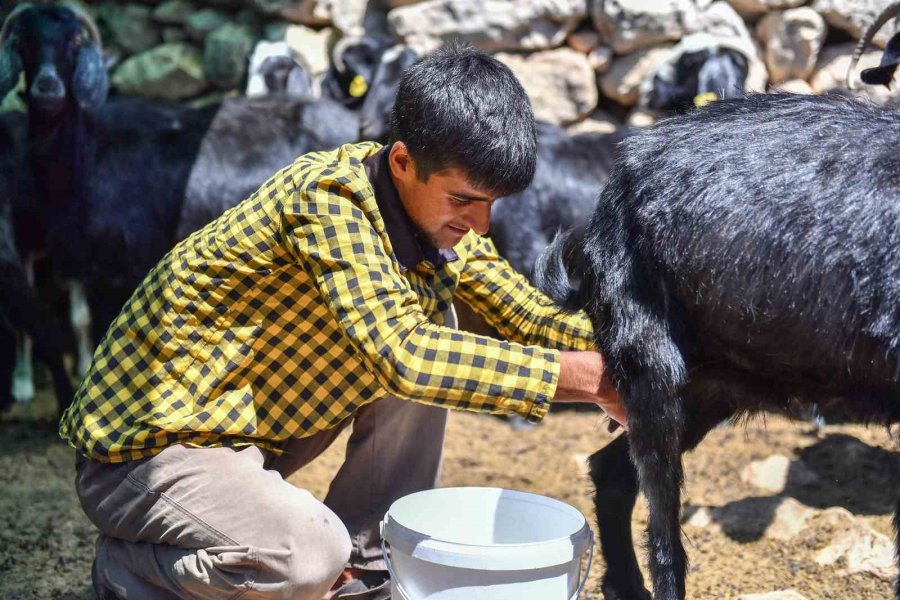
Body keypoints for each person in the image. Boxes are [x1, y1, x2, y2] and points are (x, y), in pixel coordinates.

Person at [59, 43, 625, 600]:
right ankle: (131, 570)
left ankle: (368, 569)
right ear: (402, 161)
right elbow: (406, 356)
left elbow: (527, 314)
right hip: (146, 454)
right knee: (305, 555)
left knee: (437, 320)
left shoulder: (431, 220)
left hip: (246, 436)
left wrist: (639, 359)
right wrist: (586, 379)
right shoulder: (326, 199)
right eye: (464, 200)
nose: (481, 225)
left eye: (491, 204)